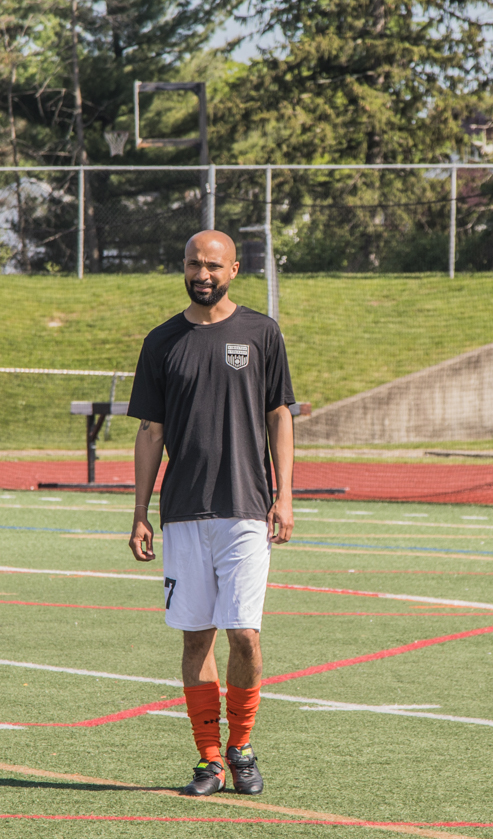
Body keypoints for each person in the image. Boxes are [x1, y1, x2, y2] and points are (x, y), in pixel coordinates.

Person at [127, 229, 294, 797]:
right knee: (196, 638)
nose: (203, 274)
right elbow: (151, 432)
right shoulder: (162, 341)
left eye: (214, 265)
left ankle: (241, 747)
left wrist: (285, 494)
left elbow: (279, 415)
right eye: (194, 264)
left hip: (247, 510)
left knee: (244, 635)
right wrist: (140, 512)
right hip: (182, 515)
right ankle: (208, 760)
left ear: (235, 269)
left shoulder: (261, 332)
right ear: (183, 266)